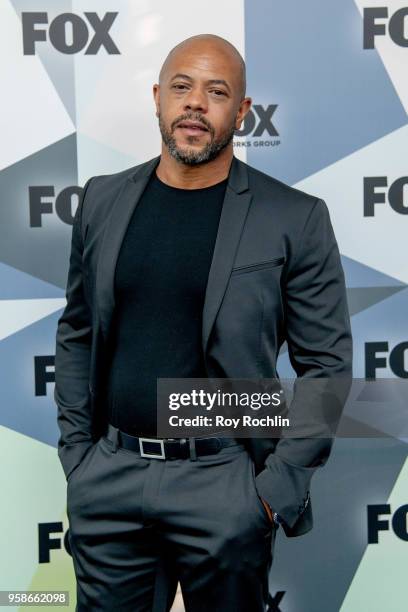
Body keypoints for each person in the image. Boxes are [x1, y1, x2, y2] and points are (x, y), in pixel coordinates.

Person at [54, 33, 352, 611]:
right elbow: (78, 332)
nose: (195, 103)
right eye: (182, 87)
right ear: (158, 97)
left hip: (225, 483)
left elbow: (328, 368)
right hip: (110, 477)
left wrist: (271, 492)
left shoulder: (295, 217)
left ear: (241, 113)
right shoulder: (101, 200)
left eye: (216, 92)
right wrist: (79, 459)